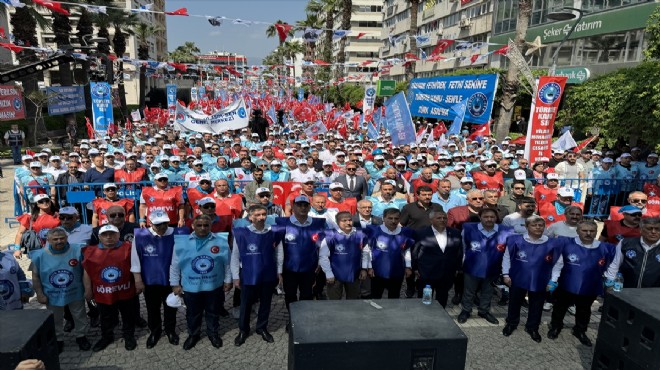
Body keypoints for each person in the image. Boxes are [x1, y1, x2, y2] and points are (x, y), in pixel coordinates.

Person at [547, 221, 616, 347]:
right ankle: (556, 326)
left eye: (592, 231)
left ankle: (580, 331)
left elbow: (611, 266)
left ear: (596, 232)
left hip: (590, 286)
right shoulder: (567, 244)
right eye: (584, 230)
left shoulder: (606, 248)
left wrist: (610, 279)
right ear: (578, 231)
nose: (588, 233)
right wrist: (553, 279)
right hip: (567, 284)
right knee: (560, 307)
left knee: (584, 310)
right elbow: (558, 263)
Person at [170, 215, 232, 350]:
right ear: (193, 226)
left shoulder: (221, 241)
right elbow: (175, 265)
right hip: (191, 286)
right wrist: (175, 283)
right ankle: (193, 334)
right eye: (199, 225)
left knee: (213, 311)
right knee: (193, 313)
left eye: (206, 225)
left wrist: (228, 280)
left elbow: (227, 263)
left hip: (214, 285)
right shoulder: (181, 242)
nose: (203, 228)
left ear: (211, 226)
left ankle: (213, 333)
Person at [502, 216, 563, 343]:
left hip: (540, 280)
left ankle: (532, 327)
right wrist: (505, 274)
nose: (538, 227)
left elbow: (558, 263)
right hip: (518, 278)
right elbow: (507, 257)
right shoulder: (515, 240)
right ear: (527, 226)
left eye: (541, 225)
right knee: (514, 302)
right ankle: (511, 324)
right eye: (534, 225)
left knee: (537, 305)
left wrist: (553, 280)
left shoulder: (553, 243)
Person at [30, 228, 91, 352]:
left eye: (62, 238)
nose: (59, 241)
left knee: (79, 315)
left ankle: (81, 336)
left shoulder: (78, 250)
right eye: (55, 239)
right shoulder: (39, 255)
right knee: (55, 318)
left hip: (75, 291)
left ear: (67, 238)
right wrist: (39, 294)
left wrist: (88, 289)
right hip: (52, 294)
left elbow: (86, 271)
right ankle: (58, 339)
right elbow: (35, 276)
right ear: (48, 240)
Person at [231, 205, 283, 346]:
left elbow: (279, 252)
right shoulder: (241, 233)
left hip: (268, 273)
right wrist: (235, 276)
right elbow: (235, 255)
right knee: (246, 304)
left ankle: (262, 327)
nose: (261, 217)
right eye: (258, 215)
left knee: (265, 303)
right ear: (250, 217)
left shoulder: (274, 231)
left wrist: (279, 271)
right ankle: (243, 330)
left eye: (264, 214)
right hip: (248, 274)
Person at [82, 225, 138, 352]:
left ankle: (129, 335)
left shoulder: (128, 248)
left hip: (125, 291)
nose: (109, 237)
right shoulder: (90, 251)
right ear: (100, 237)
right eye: (105, 234)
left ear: (118, 235)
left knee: (128, 315)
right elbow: (86, 272)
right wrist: (88, 290)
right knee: (105, 316)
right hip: (103, 292)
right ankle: (107, 337)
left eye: (112, 234)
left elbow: (136, 266)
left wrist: (138, 282)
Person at [131, 211, 180, 349]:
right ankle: (155, 331)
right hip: (150, 279)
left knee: (171, 306)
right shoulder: (140, 236)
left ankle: (170, 330)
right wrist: (138, 279)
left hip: (171, 279)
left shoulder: (177, 234)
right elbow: (135, 259)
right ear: (150, 223)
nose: (162, 226)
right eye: (158, 224)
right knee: (152, 308)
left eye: (165, 223)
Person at [457, 208, 514, 323]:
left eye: (492, 217)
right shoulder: (468, 229)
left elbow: (509, 252)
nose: (489, 219)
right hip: (472, 267)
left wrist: (506, 270)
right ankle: (466, 310)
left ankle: (484, 311)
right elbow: (463, 247)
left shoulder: (506, 231)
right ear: (480, 217)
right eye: (486, 217)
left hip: (493, 268)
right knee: (469, 291)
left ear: (496, 218)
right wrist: (461, 265)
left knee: (487, 291)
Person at [275, 195, 327, 311]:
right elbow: (278, 248)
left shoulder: (318, 224)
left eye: (305, 205)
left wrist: (320, 262)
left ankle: (304, 320)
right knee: (290, 296)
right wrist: (279, 269)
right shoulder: (283, 223)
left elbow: (322, 245)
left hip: (310, 267)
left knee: (307, 295)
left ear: (309, 207)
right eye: (299, 205)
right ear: (293, 206)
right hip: (289, 268)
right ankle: (292, 320)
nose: (302, 208)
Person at [411, 209, 462, 307]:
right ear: (431, 220)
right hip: (427, 272)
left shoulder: (455, 233)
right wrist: (415, 268)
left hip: (446, 273)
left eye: (444, 218)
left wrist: (458, 268)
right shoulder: (421, 233)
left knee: (442, 298)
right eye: (439, 218)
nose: (442, 220)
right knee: (425, 299)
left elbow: (459, 252)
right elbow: (415, 252)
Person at [364, 208, 415, 299]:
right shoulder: (374, 230)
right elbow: (368, 250)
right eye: (390, 218)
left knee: (394, 296)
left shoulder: (405, 232)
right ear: (383, 218)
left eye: (396, 218)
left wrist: (408, 266)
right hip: (377, 271)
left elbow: (407, 250)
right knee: (376, 296)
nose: (393, 221)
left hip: (397, 270)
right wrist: (369, 267)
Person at [319, 211, 369, 300]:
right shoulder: (330, 235)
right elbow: (323, 256)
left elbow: (366, 252)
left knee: (353, 301)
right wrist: (328, 273)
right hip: (335, 275)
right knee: (334, 302)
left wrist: (364, 268)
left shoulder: (360, 234)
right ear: (337, 222)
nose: (348, 223)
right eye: (344, 220)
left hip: (354, 274)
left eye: (350, 220)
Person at [604, 217, 660, 288]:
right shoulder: (626, 243)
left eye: (657, 229)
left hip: (653, 292)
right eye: (649, 228)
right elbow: (615, 264)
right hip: (625, 289)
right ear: (641, 230)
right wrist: (609, 283)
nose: (653, 232)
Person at [13, 194, 60, 259]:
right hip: (37, 249)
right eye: (41, 201)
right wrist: (17, 249)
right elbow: (20, 233)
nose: (45, 203)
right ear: (37, 204)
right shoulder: (29, 217)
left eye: (47, 200)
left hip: (57, 247)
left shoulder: (59, 215)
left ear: (50, 201)